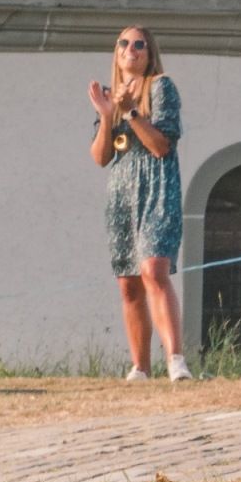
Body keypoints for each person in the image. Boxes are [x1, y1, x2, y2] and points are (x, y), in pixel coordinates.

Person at [86, 23, 189, 381]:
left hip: (157, 188)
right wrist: (107, 116)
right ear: (116, 52)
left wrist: (131, 112)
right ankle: (140, 367)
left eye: (138, 44)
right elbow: (100, 157)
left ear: (149, 53)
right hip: (122, 194)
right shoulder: (112, 96)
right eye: (123, 43)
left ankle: (175, 359)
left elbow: (161, 146)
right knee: (129, 282)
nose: (130, 49)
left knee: (154, 270)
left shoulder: (160, 86)